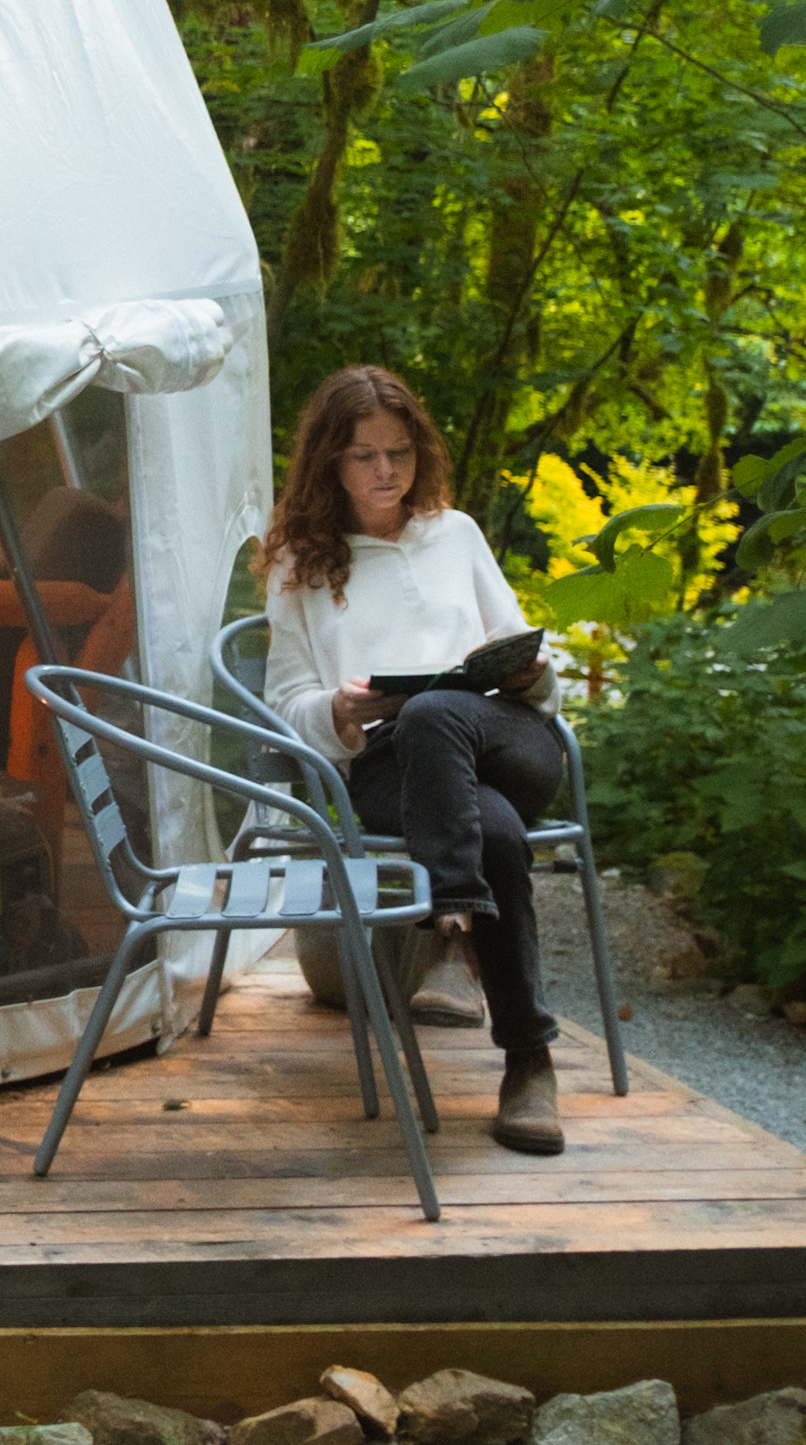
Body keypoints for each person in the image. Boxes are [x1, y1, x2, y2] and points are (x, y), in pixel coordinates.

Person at [258, 364, 570, 1156]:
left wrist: (537, 674)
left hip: (504, 739)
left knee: (438, 712)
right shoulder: (300, 561)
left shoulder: (455, 533)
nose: (386, 472)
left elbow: (528, 653)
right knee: (489, 827)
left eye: (399, 452)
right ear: (329, 460)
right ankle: (530, 1061)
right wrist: (334, 711)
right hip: (392, 765)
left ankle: (448, 925)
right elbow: (286, 706)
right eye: (364, 456)